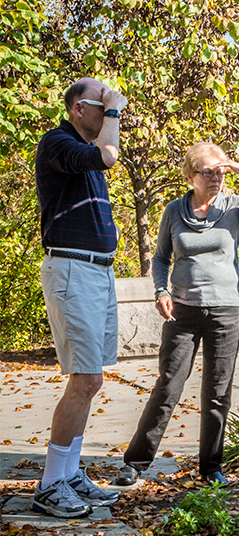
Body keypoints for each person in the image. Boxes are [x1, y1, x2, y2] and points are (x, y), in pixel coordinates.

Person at [115, 142, 239, 486]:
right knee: (168, 385)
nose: (216, 178)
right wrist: (161, 292)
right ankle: (135, 462)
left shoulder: (235, 208)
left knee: (218, 391)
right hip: (183, 312)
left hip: (226, 311)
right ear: (190, 175)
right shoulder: (173, 212)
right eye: (207, 172)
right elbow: (161, 258)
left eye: (220, 171)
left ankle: (211, 468)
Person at [33, 78, 128, 517]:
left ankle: (69, 474)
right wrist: (113, 112)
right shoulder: (58, 141)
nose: (111, 108)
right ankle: (51, 484)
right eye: (101, 102)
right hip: (72, 268)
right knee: (85, 379)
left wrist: (106, 111)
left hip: (96, 270)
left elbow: (101, 157)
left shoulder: (81, 154)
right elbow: (107, 155)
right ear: (77, 109)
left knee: (93, 379)